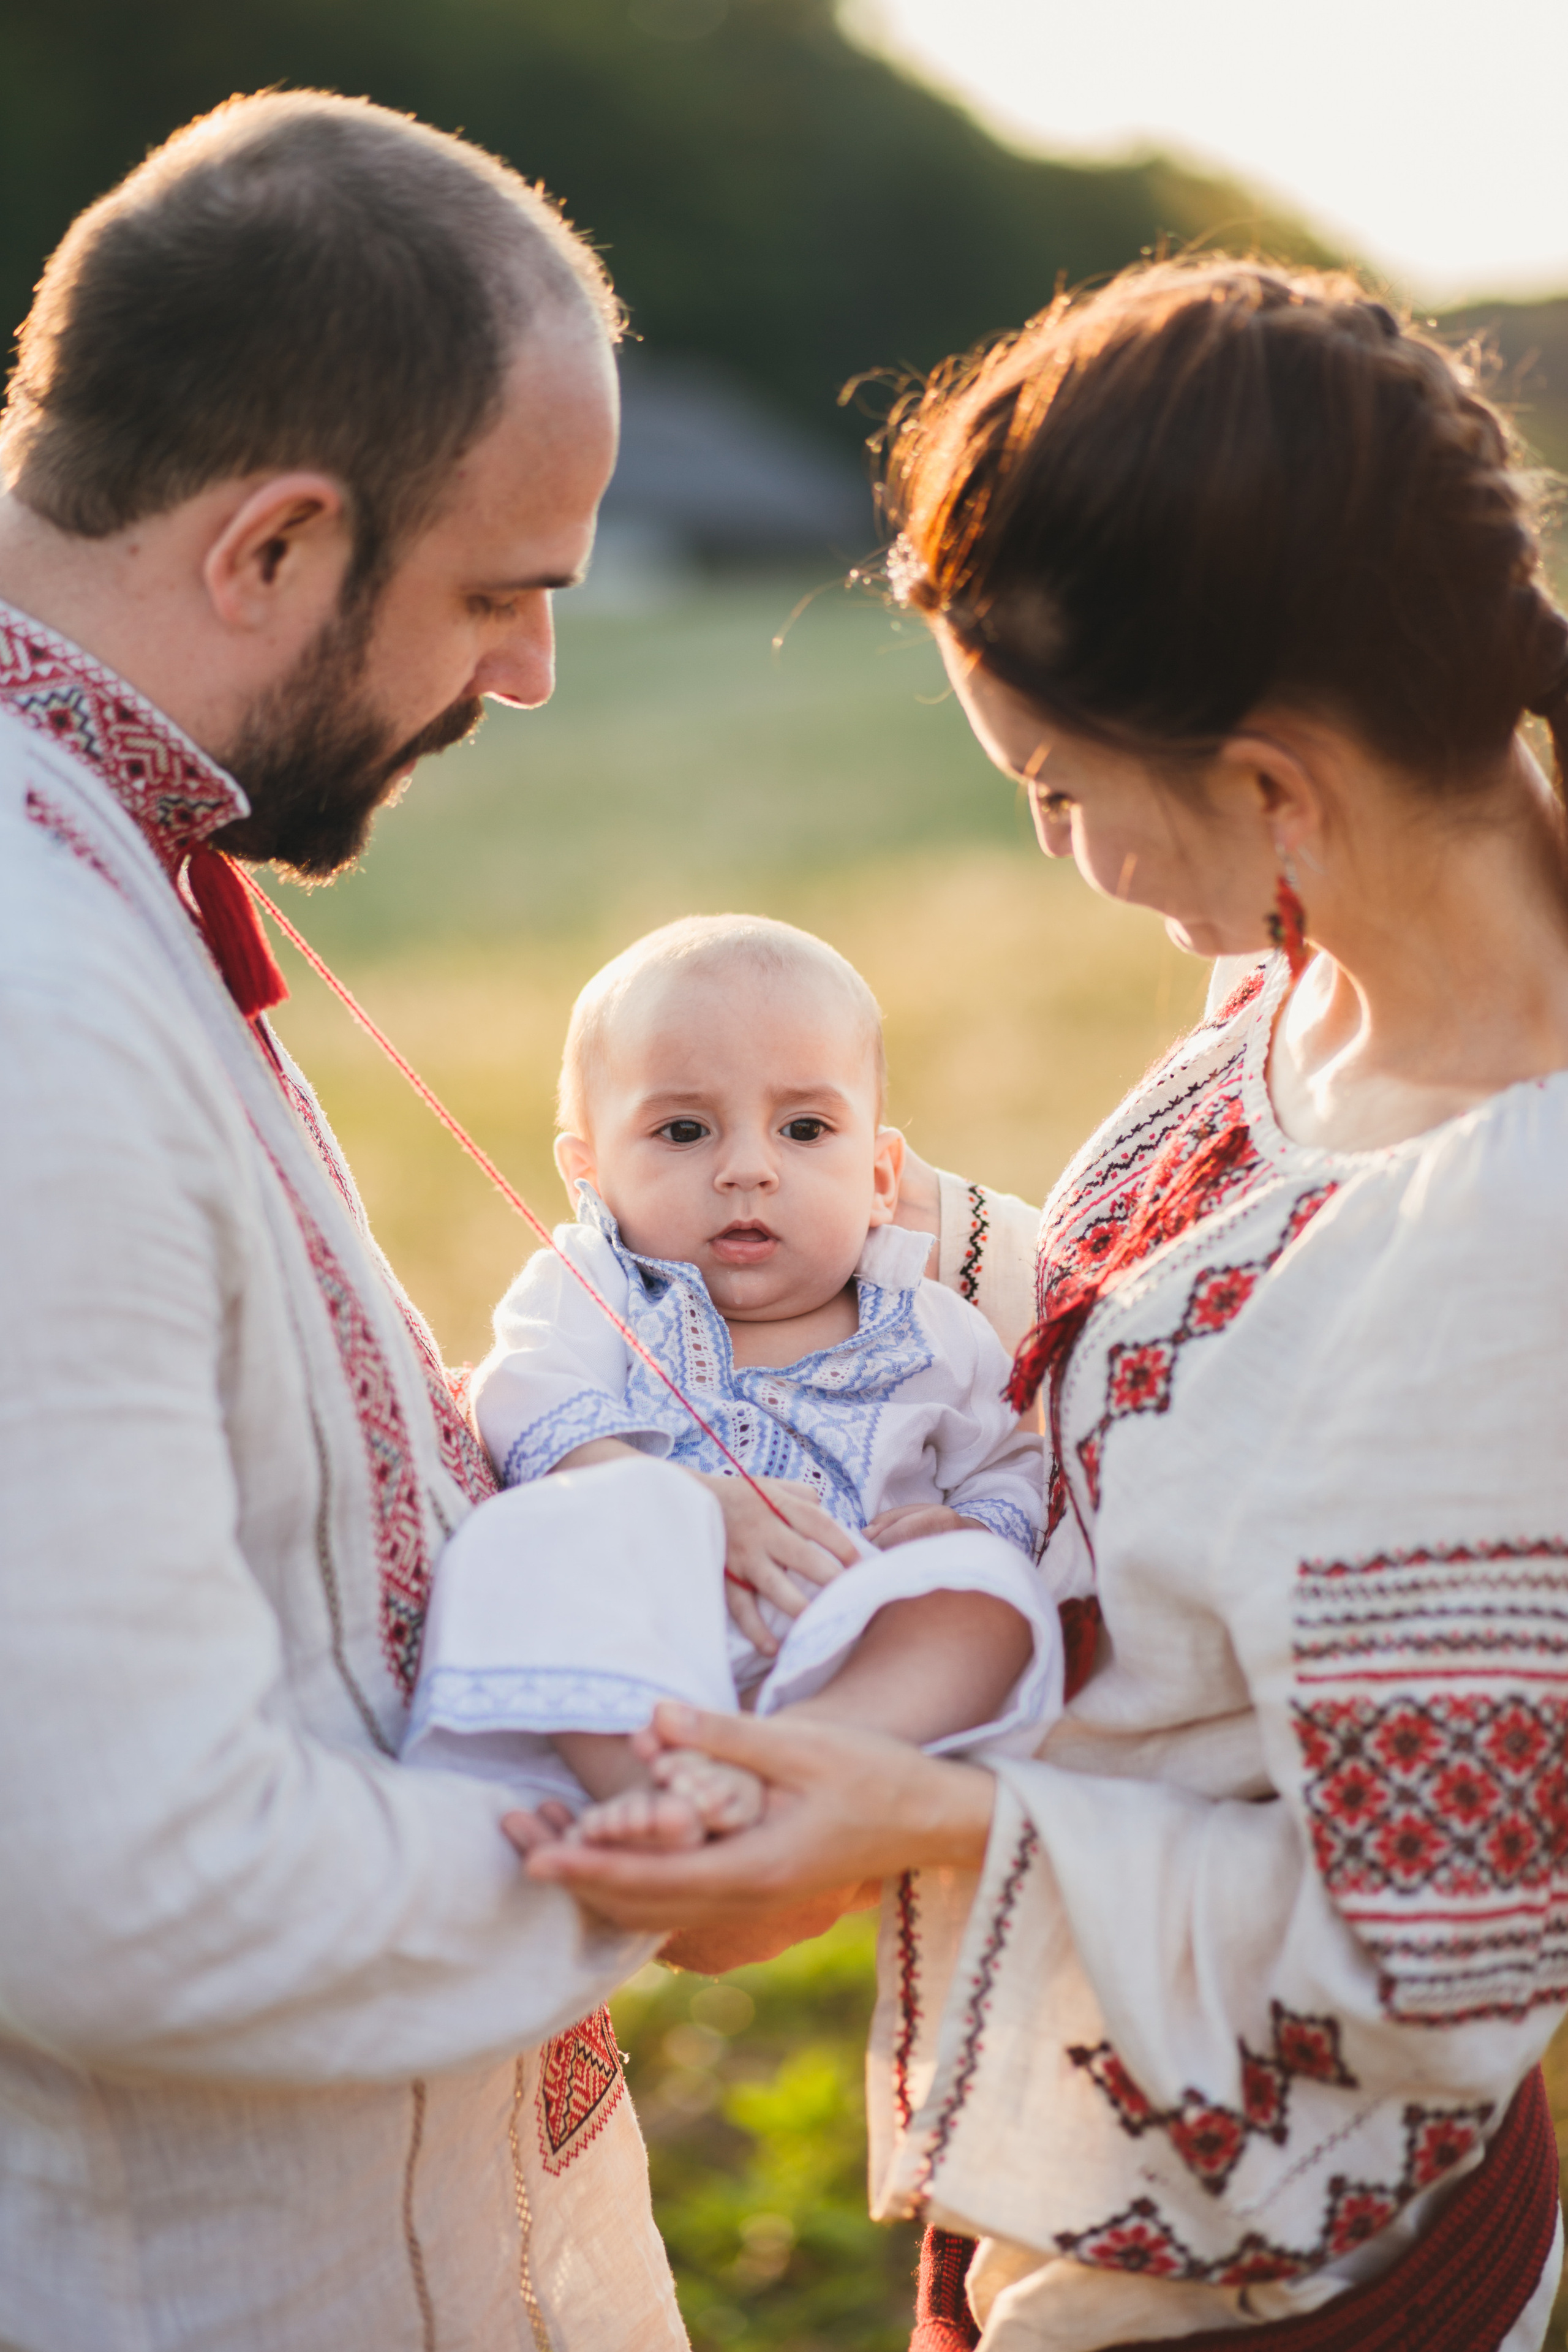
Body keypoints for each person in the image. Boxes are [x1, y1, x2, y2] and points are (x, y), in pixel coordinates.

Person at [518, 262, 1568, 2351]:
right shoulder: (1305, 979)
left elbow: (1431, 1971)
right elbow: (1173, 1348)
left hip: (1266, 2267)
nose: (1054, 845)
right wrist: (784, 1239)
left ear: (1274, 784)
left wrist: (922, 1816)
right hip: (1068, 2154)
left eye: (1059, 789)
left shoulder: (1510, 1260)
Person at [0, 88, 700, 2352]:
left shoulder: (108, 859)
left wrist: (589, 1489)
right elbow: (129, 1893)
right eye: (501, 592)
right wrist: (666, 1853)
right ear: (276, 546)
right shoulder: (31, 995)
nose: (528, 673)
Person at [402, 913, 1057, 1845]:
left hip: (848, 1638)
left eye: (804, 1128)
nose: (747, 1169)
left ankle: (800, 1756)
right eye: (682, 1130)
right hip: (634, 1640)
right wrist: (682, 1502)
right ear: (589, 1176)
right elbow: (527, 1395)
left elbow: (1011, 1462)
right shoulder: (595, 1286)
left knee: (988, 1596)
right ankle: (651, 1782)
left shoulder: (936, 1332)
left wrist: (972, 1524)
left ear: (879, 1177)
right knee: (524, 1538)